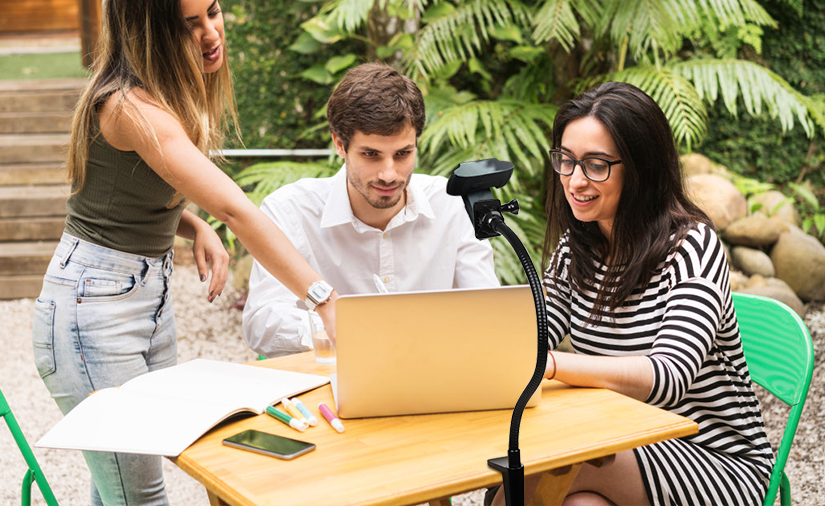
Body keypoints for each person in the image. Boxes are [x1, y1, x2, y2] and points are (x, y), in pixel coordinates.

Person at [32, 0, 340, 506]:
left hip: (141, 301)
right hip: (91, 312)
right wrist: (323, 299)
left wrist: (192, 224)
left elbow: (118, 197)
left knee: (120, 490)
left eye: (213, 12)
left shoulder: (169, 95)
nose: (210, 34)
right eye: (188, 24)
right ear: (150, 33)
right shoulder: (129, 107)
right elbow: (238, 208)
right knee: (140, 496)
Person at [490, 81, 772, 506]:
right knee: (578, 502)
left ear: (640, 168)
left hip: (714, 459)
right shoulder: (576, 248)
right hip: (623, 441)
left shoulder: (692, 248)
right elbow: (533, 336)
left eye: (596, 165)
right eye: (565, 162)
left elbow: (667, 377)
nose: (575, 180)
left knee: (536, 474)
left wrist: (550, 365)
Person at [242, 62, 499, 357]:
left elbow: (487, 308)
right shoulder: (290, 211)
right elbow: (261, 322)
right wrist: (340, 327)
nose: (389, 174)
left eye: (403, 153)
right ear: (340, 144)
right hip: (327, 381)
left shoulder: (452, 204)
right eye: (371, 155)